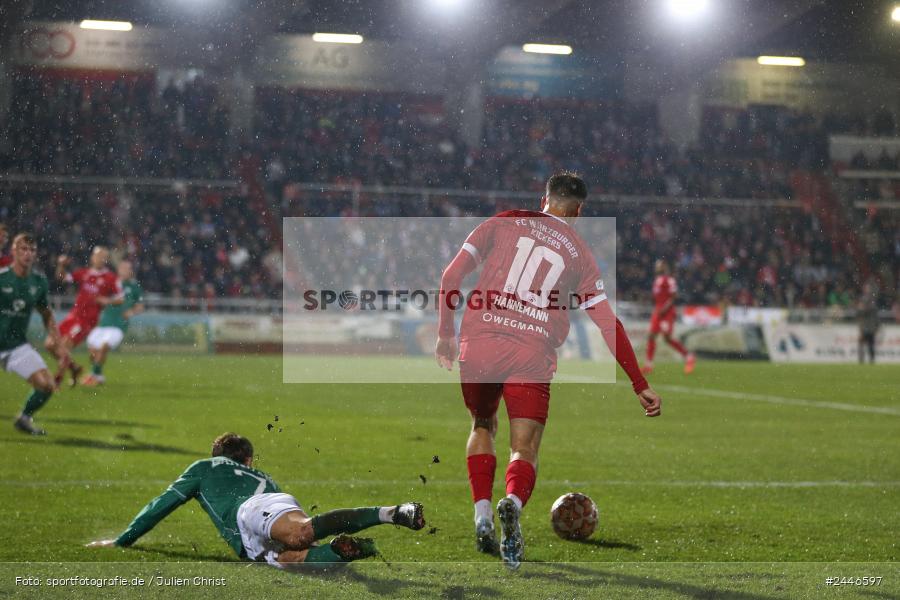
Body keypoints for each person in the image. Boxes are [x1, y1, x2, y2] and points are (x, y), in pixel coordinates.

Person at [434, 171, 662, 570]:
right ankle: (513, 502)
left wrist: (444, 334)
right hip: (531, 351)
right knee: (524, 448)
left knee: (482, 424)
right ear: (579, 210)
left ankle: (482, 516)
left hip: (481, 341)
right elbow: (608, 323)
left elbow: (451, 276)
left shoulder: (503, 221)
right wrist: (638, 382)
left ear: (544, 199)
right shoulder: (581, 255)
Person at [87, 432, 426, 567]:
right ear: (247, 459)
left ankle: (390, 513)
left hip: (252, 511)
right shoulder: (261, 475)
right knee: (290, 558)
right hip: (255, 531)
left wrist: (123, 540)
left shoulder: (204, 467)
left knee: (301, 534)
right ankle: (343, 551)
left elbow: (160, 505)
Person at [1, 233, 69, 435]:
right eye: (23, 249)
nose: (28, 254)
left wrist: (58, 343)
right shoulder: (2, 278)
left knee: (47, 385)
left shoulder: (39, 282)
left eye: (32, 250)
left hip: (15, 345)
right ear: (13, 251)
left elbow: (46, 313)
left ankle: (24, 419)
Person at [46, 246, 122, 387]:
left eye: (104, 257)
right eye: (98, 256)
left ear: (106, 260)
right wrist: (61, 265)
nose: (100, 259)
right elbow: (62, 278)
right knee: (49, 344)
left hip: (87, 321)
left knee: (65, 344)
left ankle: (57, 380)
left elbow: (120, 298)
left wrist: (106, 300)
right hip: (73, 316)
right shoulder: (84, 273)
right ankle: (74, 368)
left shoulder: (110, 278)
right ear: (92, 258)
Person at [82, 260, 144, 386]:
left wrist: (131, 312)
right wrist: (102, 300)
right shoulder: (111, 283)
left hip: (118, 325)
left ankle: (93, 376)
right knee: (93, 350)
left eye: (127, 268)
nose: (124, 270)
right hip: (104, 323)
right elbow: (98, 296)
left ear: (131, 271)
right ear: (118, 269)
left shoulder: (134, 287)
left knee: (104, 347)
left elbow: (140, 307)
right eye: (122, 268)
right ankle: (98, 376)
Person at [642, 259, 695, 375]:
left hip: (667, 312)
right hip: (658, 311)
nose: (657, 267)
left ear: (664, 267)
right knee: (651, 336)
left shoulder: (669, 280)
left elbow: (674, 296)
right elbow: (658, 297)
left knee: (667, 338)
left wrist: (665, 308)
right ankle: (648, 365)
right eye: (656, 265)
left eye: (659, 265)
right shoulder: (657, 280)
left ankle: (688, 356)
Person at [857, 294, 880, 364]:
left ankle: (862, 359)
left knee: (863, 345)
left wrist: (860, 308)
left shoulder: (864, 309)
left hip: (866, 329)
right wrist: (876, 328)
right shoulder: (873, 309)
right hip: (870, 329)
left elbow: (858, 315)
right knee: (870, 345)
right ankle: (871, 359)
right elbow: (877, 320)